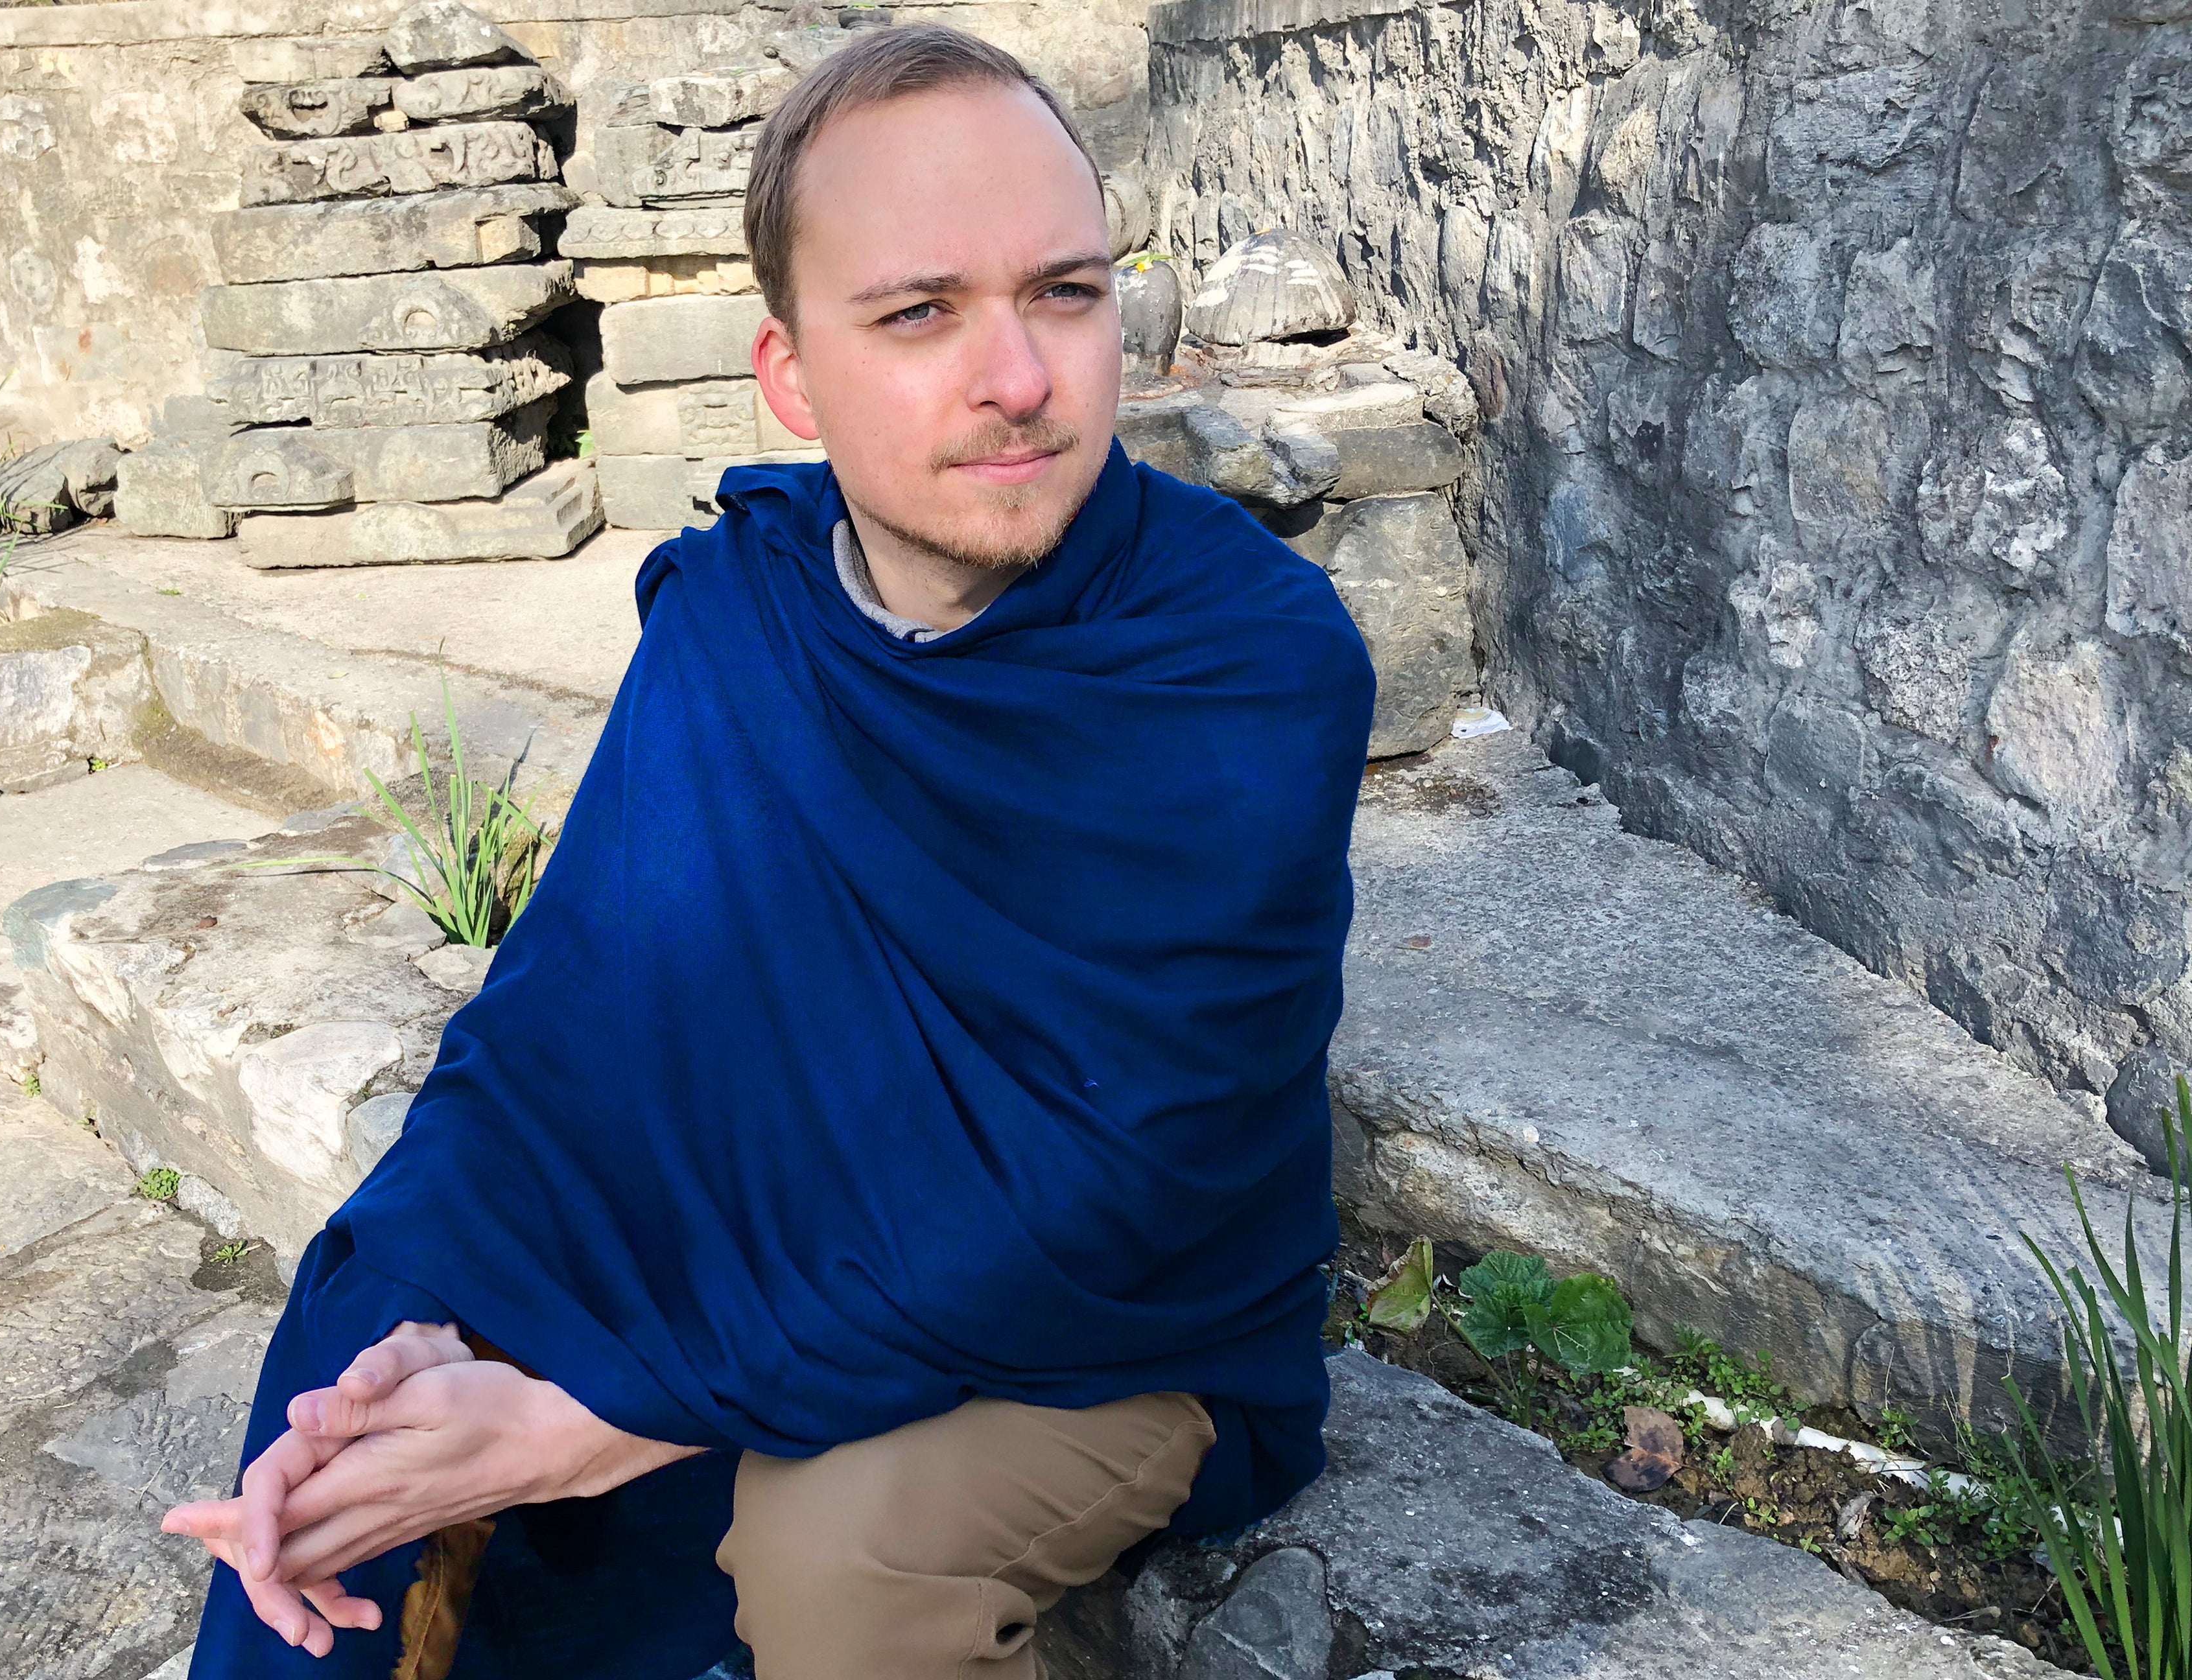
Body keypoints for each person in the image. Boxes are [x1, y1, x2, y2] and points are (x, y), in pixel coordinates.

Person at [164, 23, 1376, 1679]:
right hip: (802, 1242)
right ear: (792, 375)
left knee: (831, 1558)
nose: (1017, 376)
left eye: (1067, 293)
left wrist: (599, 1413)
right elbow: (564, 1026)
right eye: (919, 313)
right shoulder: (745, 618)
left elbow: (1119, 1187)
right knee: (376, 1304)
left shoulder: (1240, 661)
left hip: (1113, 1324)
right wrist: (430, 1319)